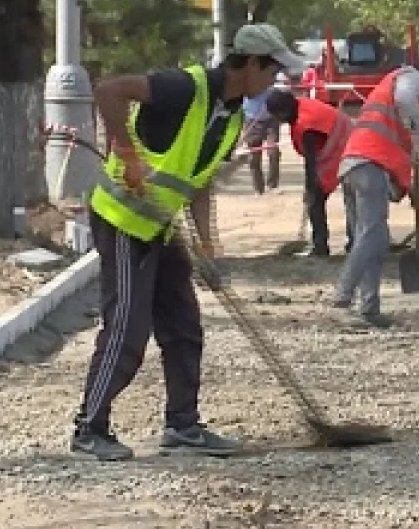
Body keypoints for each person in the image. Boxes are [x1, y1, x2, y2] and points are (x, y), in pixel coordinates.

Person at [75, 23, 305, 461]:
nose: (274, 81)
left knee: (183, 326)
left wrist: (208, 247)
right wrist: (126, 152)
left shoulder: (233, 114)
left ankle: (182, 425)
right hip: (123, 219)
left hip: (162, 227)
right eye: (272, 70)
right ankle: (90, 428)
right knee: (127, 325)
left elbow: (199, 186)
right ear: (251, 64)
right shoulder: (184, 87)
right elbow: (108, 90)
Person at [332, 64, 419, 327]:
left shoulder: (387, 103)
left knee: (368, 241)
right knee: (374, 236)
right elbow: (406, 98)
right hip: (368, 165)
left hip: (354, 164)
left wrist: (413, 191)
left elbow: (395, 157)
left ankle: (369, 308)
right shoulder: (410, 77)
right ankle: (343, 295)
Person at [265, 89, 353, 257]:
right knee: (326, 197)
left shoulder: (306, 124)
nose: (276, 120)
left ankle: (322, 246)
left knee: (318, 199)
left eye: (276, 116)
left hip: (344, 146)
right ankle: (337, 243)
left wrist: (310, 188)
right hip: (338, 142)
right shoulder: (300, 107)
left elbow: (311, 164)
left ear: (282, 112)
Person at [240, 72, 284, 194]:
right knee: (254, 157)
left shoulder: (271, 70)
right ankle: (258, 189)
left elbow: (283, 85)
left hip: (271, 119)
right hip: (252, 119)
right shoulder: (245, 74)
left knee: (273, 152)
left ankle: (273, 185)